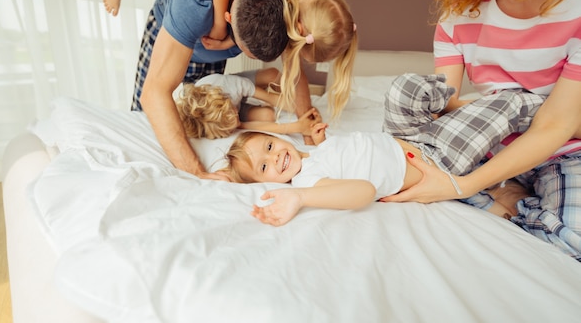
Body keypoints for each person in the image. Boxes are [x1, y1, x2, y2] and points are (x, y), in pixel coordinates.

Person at [382, 0, 581, 260]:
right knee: (411, 181)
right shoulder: (461, 9)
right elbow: (443, 103)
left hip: (564, 152)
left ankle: (510, 203)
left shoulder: (577, 8)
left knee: (572, 242)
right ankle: (505, 192)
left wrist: (463, 186)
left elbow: (557, 124)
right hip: (488, 147)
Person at [221, 73, 542, 226]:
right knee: (507, 104)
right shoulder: (307, 183)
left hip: (406, 136)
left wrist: (321, 145)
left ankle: (454, 107)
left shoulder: (312, 158)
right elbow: (363, 190)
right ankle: (551, 112)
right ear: (269, 184)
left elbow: (346, 157)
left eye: (268, 145)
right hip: (436, 161)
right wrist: (300, 198)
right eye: (265, 168)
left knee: (406, 88)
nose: (275, 157)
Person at [103, 0, 357, 120]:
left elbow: (294, 69)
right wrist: (219, 29)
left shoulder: (305, 6)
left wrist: (306, 117)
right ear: (301, 30)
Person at [132, 0, 300, 181]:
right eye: (241, 47)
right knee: (144, 123)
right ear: (228, 19)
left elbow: (297, 70)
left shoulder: (278, 1)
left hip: (214, 40)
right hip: (174, 28)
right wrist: (196, 172)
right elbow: (153, 95)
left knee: (203, 119)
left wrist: (305, 116)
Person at [175, 69, 322, 139]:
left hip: (230, 89)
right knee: (267, 115)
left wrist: (304, 109)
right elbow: (247, 125)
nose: (237, 119)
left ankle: (292, 91)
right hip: (225, 109)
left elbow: (270, 98)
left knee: (272, 75)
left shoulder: (232, 86)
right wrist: (296, 127)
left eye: (234, 114)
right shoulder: (216, 126)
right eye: (234, 126)